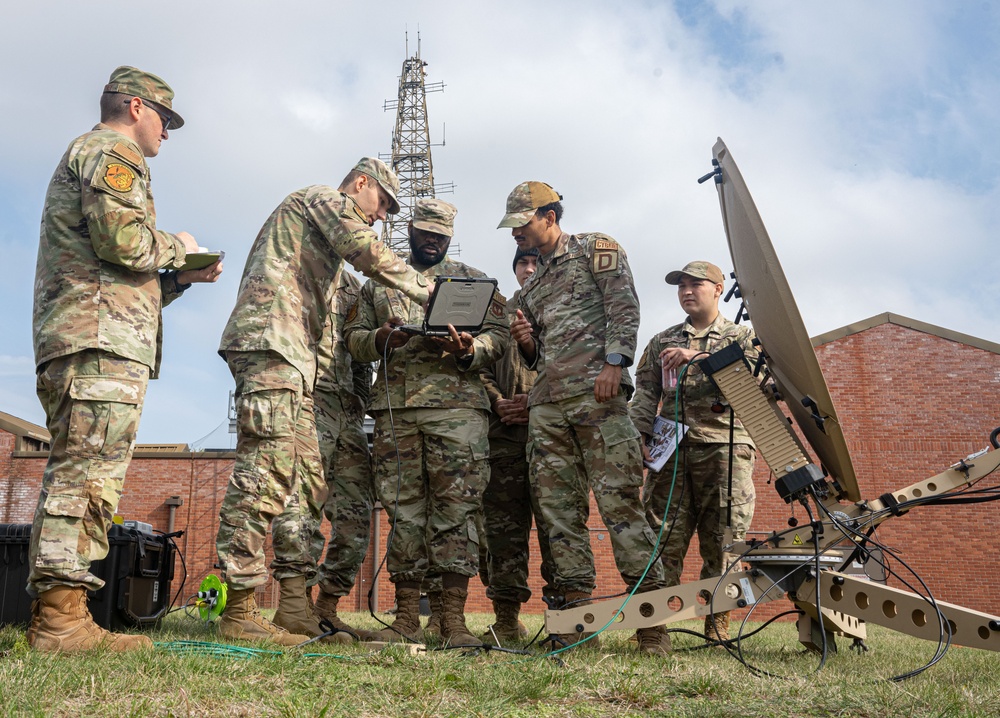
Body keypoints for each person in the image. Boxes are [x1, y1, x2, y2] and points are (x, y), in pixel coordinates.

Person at [26, 66, 222, 653]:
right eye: (166, 118)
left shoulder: (99, 154)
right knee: (83, 475)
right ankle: (59, 621)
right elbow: (125, 242)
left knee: (90, 474)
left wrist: (181, 279)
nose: (168, 132)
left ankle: (64, 612)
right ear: (136, 107)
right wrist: (179, 248)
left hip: (102, 337)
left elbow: (125, 277)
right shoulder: (111, 150)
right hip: (95, 342)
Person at [215, 158, 431, 646]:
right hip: (272, 343)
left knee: (305, 482)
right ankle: (239, 609)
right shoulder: (322, 199)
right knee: (263, 473)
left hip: (300, 365)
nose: (381, 217)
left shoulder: (331, 258)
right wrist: (428, 290)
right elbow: (366, 249)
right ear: (361, 184)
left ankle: (295, 608)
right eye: (383, 204)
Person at [502, 181, 670, 655]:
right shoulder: (531, 284)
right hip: (549, 406)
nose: (516, 233)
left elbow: (624, 305)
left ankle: (652, 627)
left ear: (550, 216)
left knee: (621, 507)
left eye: (523, 223)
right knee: (559, 515)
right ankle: (574, 624)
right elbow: (538, 357)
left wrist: (615, 363)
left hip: (599, 397)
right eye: (511, 226)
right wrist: (525, 340)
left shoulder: (598, 248)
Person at [344, 198, 509, 647]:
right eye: (425, 232)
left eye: (440, 234)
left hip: (458, 413)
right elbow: (353, 341)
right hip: (398, 412)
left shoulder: (473, 282)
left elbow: (501, 335)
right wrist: (380, 337)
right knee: (404, 513)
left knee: (458, 513)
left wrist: (469, 349)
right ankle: (405, 619)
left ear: (450, 236)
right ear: (410, 230)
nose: (432, 240)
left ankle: (452, 622)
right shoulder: (379, 281)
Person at [630, 261, 759, 644]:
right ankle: (651, 628)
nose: (687, 291)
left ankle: (717, 627)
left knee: (723, 540)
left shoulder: (743, 337)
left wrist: (699, 357)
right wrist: (639, 433)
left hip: (725, 449)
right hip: (671, 454)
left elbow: (760, 378)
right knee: (659, 539)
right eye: (681, 286)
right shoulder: (663, 339)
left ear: (718, 289)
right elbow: (645, 393)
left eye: (696, 284)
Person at [271, 270, 378, 642]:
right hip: (306, 398)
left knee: (356, 513)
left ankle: (326, 607)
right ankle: (293, 605)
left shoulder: (355, 288)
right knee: (301, 502)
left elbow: (361, 355)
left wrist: (360, 400)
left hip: (347, 409)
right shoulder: (293, 269)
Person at [477, 247, 557, 643]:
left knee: (558, 531)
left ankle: (563, 619)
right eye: (523, 264)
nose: (530, 269)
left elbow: (571, 370)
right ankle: (506, 620)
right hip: (503, 442)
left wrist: (535, 403)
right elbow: (479, 370)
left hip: (553, 443)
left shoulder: (564, 313)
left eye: (537, 263)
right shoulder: (497, 314)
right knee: (503, 535)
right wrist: (498, 402)